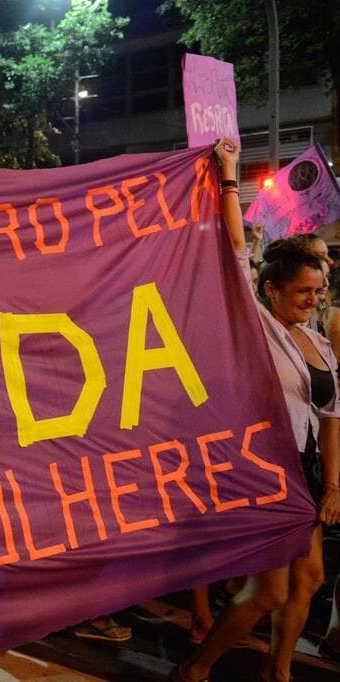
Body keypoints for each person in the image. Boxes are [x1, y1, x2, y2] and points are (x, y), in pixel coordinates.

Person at [171, 139, 340, 682]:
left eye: (319, 291)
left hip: (305, 473)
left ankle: (280, 672)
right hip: (265, 469)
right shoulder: (256, 325)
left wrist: (333, 486)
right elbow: (236, 250)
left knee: (309, 580)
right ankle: (196, 668)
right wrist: (228, 174)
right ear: (270, 290)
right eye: (303, 291)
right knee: (267, 591)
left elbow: (332, 419)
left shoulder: (321, 346)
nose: (314, 300)